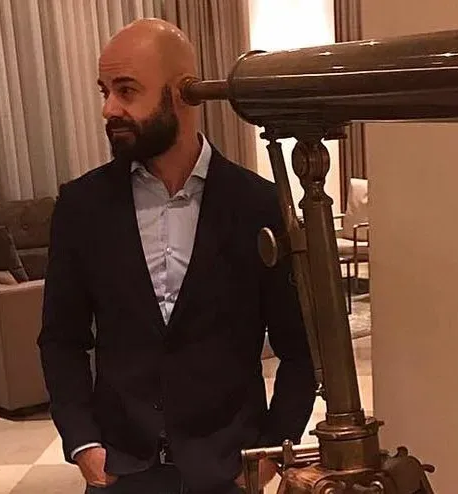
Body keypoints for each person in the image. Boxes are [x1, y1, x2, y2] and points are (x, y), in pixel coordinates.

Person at [37, 18, 316, 494]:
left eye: (127, 91)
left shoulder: (259, 205)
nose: (109, 108)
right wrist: (83, 441)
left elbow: (300, 347)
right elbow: (62, 338)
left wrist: (271, 450)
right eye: (105, 91)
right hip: (120, 471)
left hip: (228, 470)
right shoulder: (82, 205)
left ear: (184, 93)